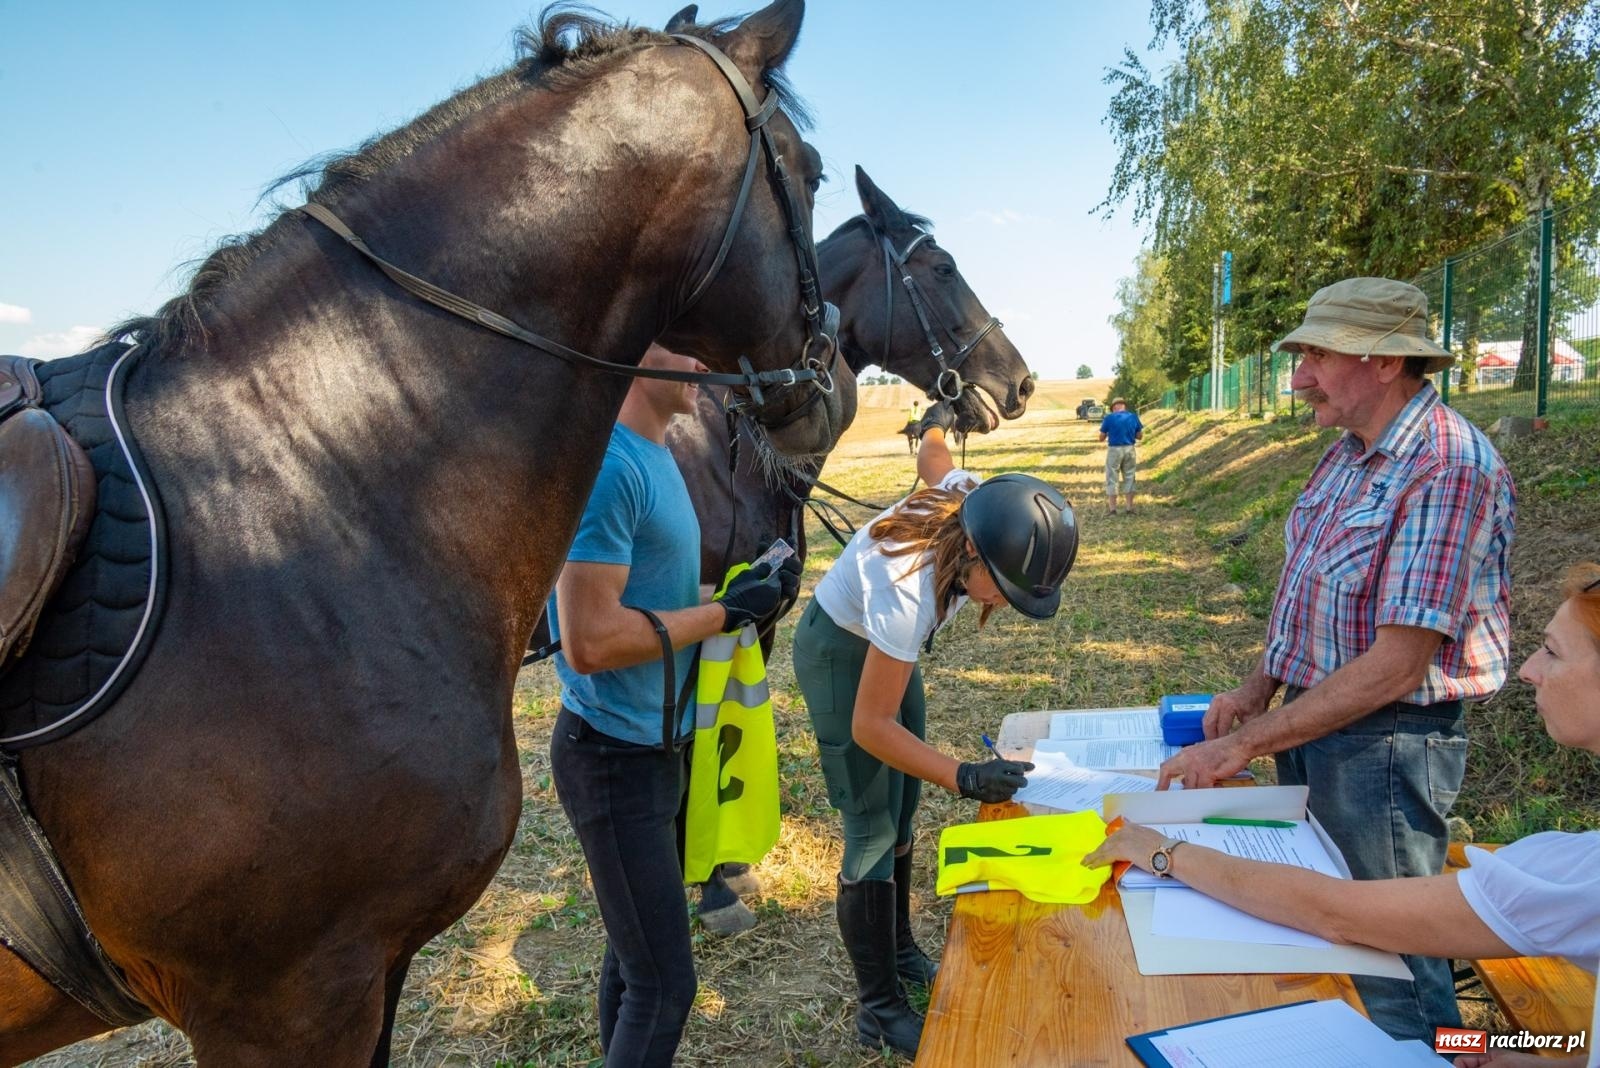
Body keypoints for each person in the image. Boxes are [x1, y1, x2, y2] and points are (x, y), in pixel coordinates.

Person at [1155, 277, 1516, 1043]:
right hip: (1319, 730)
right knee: (1332, 936)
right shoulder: (1349, 456)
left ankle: (1428, 1056)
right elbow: (1306, 589)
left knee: (1389, 957)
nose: (1300, 377)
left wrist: (1244, 742)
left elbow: (1395, 667)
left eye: (1318, 354)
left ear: (1387, 364)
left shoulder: (1445, 465)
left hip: (1385, 749)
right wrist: (1258, 690)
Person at [1088, 563, 1600, 1068]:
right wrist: (1556, 1060)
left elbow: (1336, 912)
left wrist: (1161, 851)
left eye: (1553, 651)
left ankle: (1441, 1045)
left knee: (1413, 1012)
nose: (1528, 668)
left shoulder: (1577, 877)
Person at [790, 400, 1079, 1058]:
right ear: (973, 554)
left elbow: (935, 461)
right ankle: (879, 1009)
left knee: (906, 805)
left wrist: (936, 419)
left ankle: (898, 950)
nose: (1005, 603)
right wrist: (965, 775)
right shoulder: (908, 583)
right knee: (871, 823)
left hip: (890, 653)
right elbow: (870, 725)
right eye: (1004, 589)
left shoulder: (977, 504)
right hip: (842, 650)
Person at [548, 344, 801, 1067]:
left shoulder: (657, 458)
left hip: (655, 752)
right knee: (665, 985)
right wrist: (722, 616)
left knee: (634, 966)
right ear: (641, 352)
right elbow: (589, 640)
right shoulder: (611, 468)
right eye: (688, 347)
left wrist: (740, 597)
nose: (706, 365)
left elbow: (653, 604)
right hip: (611, 759)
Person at [1098, 397, 1143, 514]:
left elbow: (1101, 438)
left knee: (1112, 477)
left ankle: (1113, 509)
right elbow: (1139, 436)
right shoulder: (1133, 417)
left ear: (1113, 407)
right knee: (1129, 476)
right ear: (1124, 406)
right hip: (1129, 449)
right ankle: (1129, 508)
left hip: (1114, 450)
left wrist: (1110, 432)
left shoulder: (1109, 418)